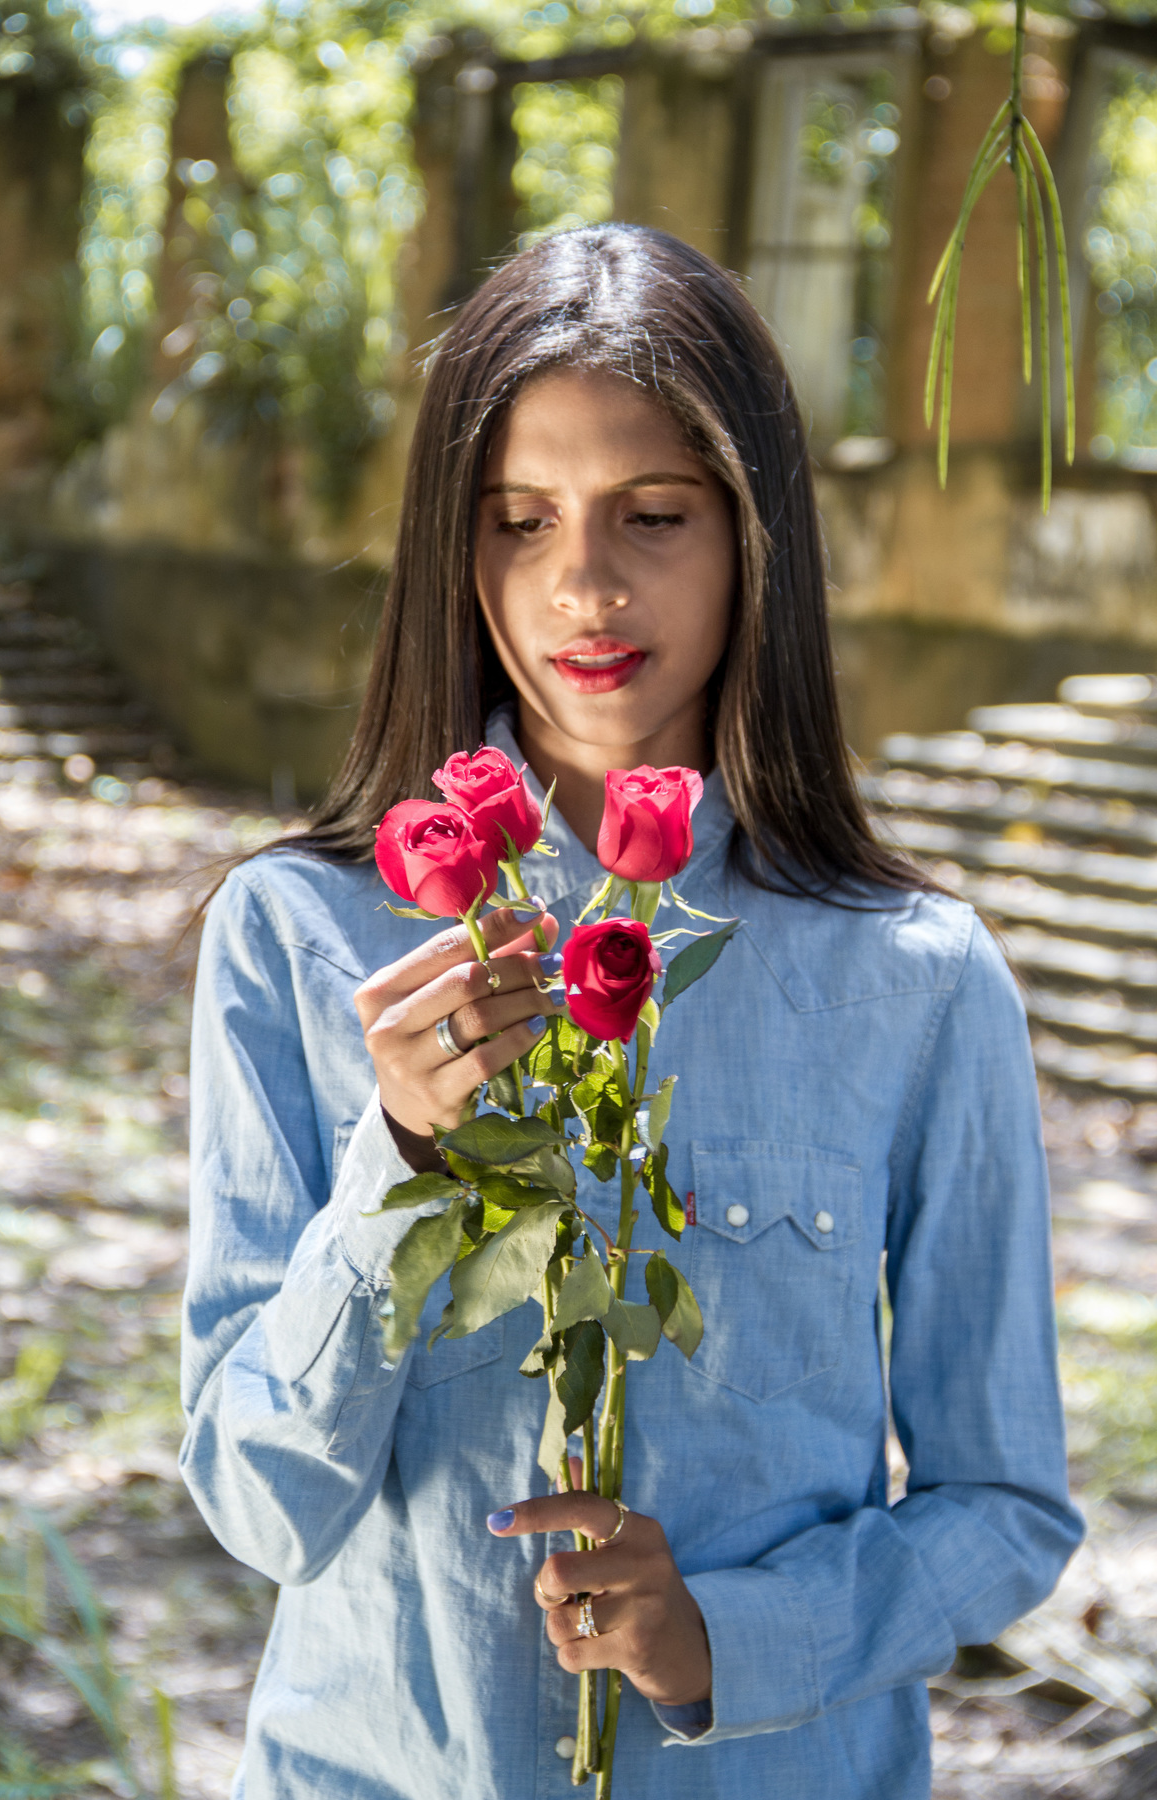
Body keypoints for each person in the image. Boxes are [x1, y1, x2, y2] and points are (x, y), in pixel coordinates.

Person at [180, 224, 1082, 1800]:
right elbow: (262, 1506)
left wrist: (728, 1639)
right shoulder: (298, 938)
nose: (583, 584)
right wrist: (403, 1153)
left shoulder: (919, 979)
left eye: (651, 516)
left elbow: (1003, 1508)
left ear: (754, 535)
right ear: (452, 553)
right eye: (520, 520)